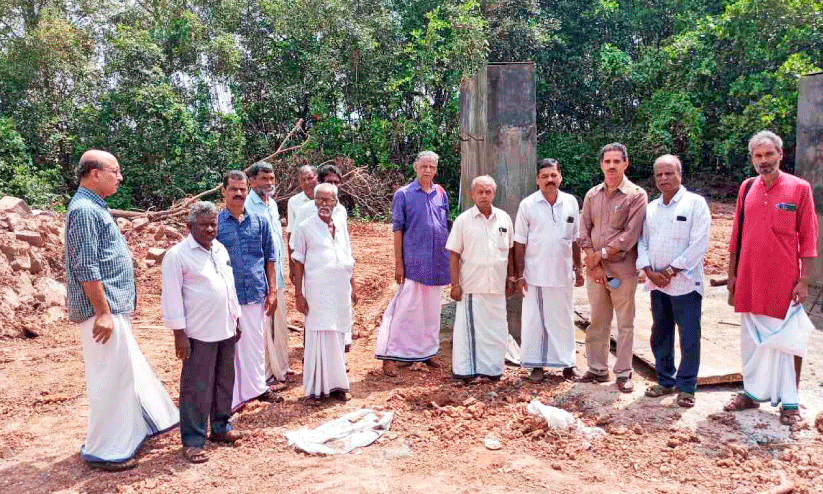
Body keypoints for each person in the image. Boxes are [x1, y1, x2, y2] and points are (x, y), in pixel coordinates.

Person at [65, 150, 178, 471]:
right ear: (94, 173)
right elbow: (85, 265)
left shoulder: (93, 207)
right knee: (110, 379)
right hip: (102, 313)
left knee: (124, 373)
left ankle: (137, 430)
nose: (120, 176)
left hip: (111, 308)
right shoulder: (84, 211)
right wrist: (102, 311)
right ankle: (107, 450)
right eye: (115, 171)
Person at [724, 131, 818, 425]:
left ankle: (790, 403)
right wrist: (732, 275)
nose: (764, 161)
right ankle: (751, 393)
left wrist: (804, 281)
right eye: (758, 156)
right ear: (752, 159)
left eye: (769, 155)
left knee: (788, 339)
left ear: (780, 155)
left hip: (784, 281)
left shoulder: (799, 188)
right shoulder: (746, 187)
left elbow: (810, 238)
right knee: (751, 340)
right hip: (750, 279)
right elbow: (736, 236)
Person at [161, 202, 244, 463]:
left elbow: (228, 286)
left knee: (223, 382)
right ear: (189, 227)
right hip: (198, 333)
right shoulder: (178, 255)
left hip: (226, 328)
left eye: (213, 224)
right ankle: (193, 440)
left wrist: (237, 318)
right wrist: (179, 334)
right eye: (204, 225)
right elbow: (172, 297)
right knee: (197, 387)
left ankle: (221, 427)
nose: (210, 229)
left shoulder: (219, 248)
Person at [637, 155, 711, 408]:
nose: (663, 179)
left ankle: (687, 387)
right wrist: (649, 271)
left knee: (689, 335)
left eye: (669, 173)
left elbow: (699, 245)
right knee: (661, 332)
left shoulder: (695, 204)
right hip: (657, 284)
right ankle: (665, 380)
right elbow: (642, 242)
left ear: (680, 174)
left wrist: (668, 272)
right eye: (659, 174)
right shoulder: (651, 208)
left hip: (686, 285)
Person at [578, 143, 648, 392]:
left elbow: (630, 235)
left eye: (616, 161)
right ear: (601, 165)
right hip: (595, 271)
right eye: (607, 161)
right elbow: (583, 230)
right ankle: (597, 369)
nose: (611, 166)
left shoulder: (636, 195)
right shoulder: (592, 195)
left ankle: (624, 372)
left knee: (625, 322)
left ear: (625, 164)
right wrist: (592, 260)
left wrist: (601, 255)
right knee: (598, 320)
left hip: (622, 269)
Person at [374, 151, 450, 376]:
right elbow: (398, 230)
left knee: (431, 310)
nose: (428, 170)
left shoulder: (440, 193)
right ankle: (389, 355)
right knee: (404, 309)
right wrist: (399, 263)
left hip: (437, 261)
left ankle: (427, 351)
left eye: (432, 167)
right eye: (424, 166)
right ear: (415, 167)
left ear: (436, 170)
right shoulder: (403, 194)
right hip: (414, 262)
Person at [513, 159, 584, 382]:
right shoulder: (528, 205)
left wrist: (578, 268)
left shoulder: (570, 202)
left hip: (563, 273)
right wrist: (520, 274)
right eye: (544, 177)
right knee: (535, 320)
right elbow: (519, 243)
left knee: (563, 319)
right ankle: (536, 365)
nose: (550, 180)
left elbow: (575, 238)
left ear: (560, 177)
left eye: (553, 175)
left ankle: (567, 364)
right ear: (537, 180)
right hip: (535, 274)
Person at [217, 170, 280, 410]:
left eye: (243, 189)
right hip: (227, 295)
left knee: (254, 343)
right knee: (230, 347)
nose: (239, 194)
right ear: (224, 191)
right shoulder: (216, 224)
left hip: (255, 291)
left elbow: (269, 258)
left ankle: (257, 388)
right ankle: (232, 398)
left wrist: (272, 290)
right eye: (233, 189)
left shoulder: (260, 222)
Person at [291, 183, 357, 402]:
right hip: (316, 292)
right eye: (319, 199)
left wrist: (353, 286)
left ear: (336, 203)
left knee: (337, 334)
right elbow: (298, 260)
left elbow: (347, 256)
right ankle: (315, 390)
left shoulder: (340, 224)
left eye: (328, 200)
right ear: (314, 201)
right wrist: (299, 294)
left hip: (339, 291)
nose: (323, 204)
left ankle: (338, 386)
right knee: (318, 335)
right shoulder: (305, 226)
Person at [446, 176, 514, 382]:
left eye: (488, 192)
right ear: (472, 194)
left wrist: (511, 279)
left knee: (496, 331)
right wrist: (455, 285)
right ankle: (464, 371)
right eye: (480, 192)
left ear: (494, 193)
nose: (484, 196)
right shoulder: (463, 220)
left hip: (497, 287)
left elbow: (510, 252)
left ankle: (492, 371)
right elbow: (454, 254)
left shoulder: (504, 219)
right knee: (467, 333)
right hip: (471, 287)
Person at [289, 164, 351, 348]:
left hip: (338, 280)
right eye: (329, 182)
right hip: (315, 278)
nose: (333, 185)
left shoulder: (340, 211)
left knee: (338, 315)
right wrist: (295, 276)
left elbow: (345, 247)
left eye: (336, 183)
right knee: (315, 318)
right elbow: (294, 243)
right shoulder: (306, 211)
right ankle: (311, 358)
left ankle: (338, 356)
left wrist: (351, 282)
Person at [245, 162, 290, 389]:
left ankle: (279, 369)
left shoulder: (271, 204)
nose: (269, 183)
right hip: (260, 279)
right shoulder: (248, 206)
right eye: (264, 178)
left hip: (277, 276)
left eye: (272, 178)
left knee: (278, 325)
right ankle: (264, 377)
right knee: (262, 328)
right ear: (252, 181)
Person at [287, 165, 318, 283]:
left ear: (317, 177)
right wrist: (291, 265)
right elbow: (291, 233)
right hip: (304, 256)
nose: (307, 182)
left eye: (310, 178)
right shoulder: (294, 202)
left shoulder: (327, 197)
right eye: (302, 180)